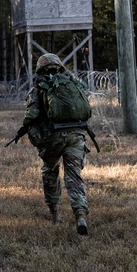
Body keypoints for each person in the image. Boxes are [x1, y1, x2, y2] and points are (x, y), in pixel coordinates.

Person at [22, 53, 94, 235]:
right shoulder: (74, 84)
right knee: (74, 175)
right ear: (60, 67)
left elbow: (31, 115)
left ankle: (55, 213)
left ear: (40, 70)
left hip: (53, 138)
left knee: (50, 171)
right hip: (76, 136)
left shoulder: (39, 88)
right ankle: (80, 215)